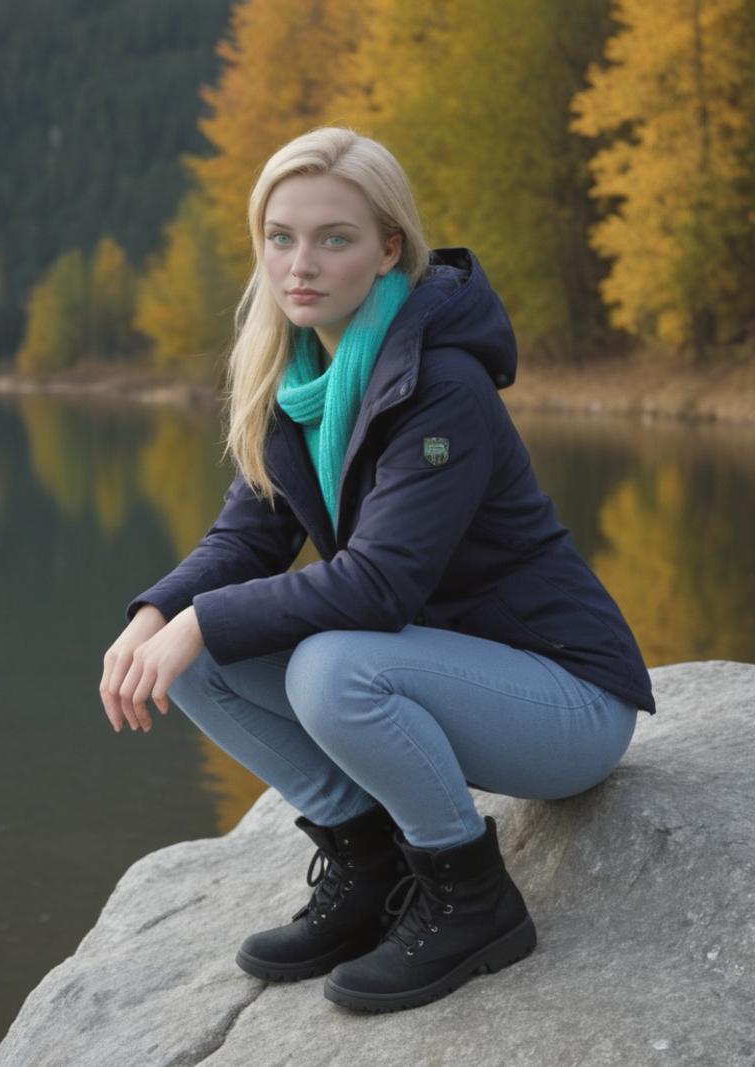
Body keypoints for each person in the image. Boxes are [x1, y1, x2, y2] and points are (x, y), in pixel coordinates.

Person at [99, 125, 655, 1014]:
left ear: (389, 247)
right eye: (281, 238)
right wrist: (158, 614)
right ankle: (371, 867)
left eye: (335, 238)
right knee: (192, 649)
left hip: (568, 701)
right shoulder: (298, 378)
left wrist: (205, 617)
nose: (300, 265)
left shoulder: (443, 385)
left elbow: (378, 585)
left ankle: (473, 898)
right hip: (448, 672)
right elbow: (244, 539)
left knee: (329, 665)